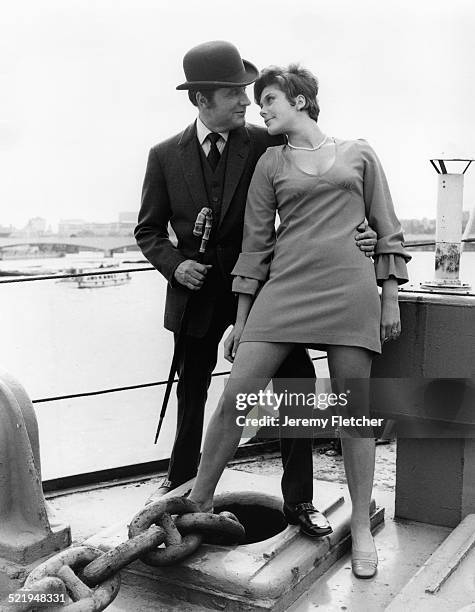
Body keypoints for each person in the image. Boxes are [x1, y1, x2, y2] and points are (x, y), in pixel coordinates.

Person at [135, 42, 377, 538]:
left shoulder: (268, 142)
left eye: (250, 93)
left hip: (270, 293)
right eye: (234, 94)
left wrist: (361, 231)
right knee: (195, 393)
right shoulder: (163, 156)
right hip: (196, 294)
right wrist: (176, 266)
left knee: (297, 391)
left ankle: (299, 502)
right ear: (202, 100)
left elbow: (318, 186)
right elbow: (149, 230)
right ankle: (183, 487)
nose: (246, 102)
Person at [187, 63, 411, 578]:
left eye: (269, 99)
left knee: (354, 414)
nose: (261, 108)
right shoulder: (269, 163)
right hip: (285, 291)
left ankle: (358, 527)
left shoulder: (360, 153)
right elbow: (257, 242)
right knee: (236, 398)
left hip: (350, 293)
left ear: (302, 101)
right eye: (259, 101)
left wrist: (390, 296)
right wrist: (243, 318)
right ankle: (199, 500)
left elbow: (387, 228)